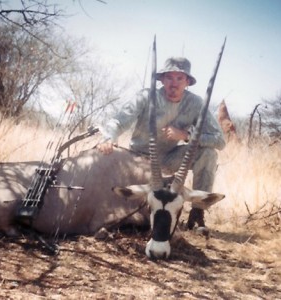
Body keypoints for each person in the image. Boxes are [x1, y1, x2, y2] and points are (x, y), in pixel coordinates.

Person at [97, 57, 226, 229]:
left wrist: (186, 135)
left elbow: (219, 140)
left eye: (179, 78)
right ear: (162, 80)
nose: (174, 84)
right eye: (169, 78)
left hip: (169, 159)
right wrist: (109, 137)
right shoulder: (146, 96)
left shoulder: (195, 103)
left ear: (187, 82)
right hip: (138, 159)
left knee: (209, 154)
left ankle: (197, 214)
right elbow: (118, 121)